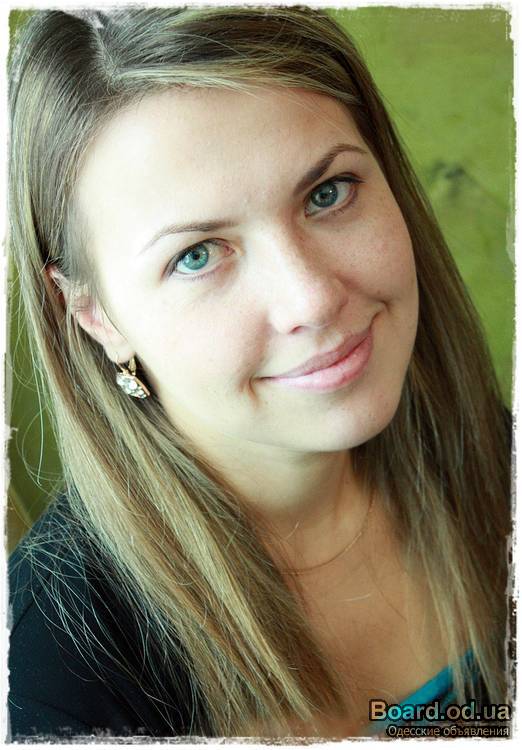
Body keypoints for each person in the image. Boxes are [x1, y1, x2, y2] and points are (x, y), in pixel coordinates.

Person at [7, 5, 513, 740]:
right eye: (197, 255)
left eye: (327, 193)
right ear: (94, 315)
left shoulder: (493, 455)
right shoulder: (52, 680)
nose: (312, 298)